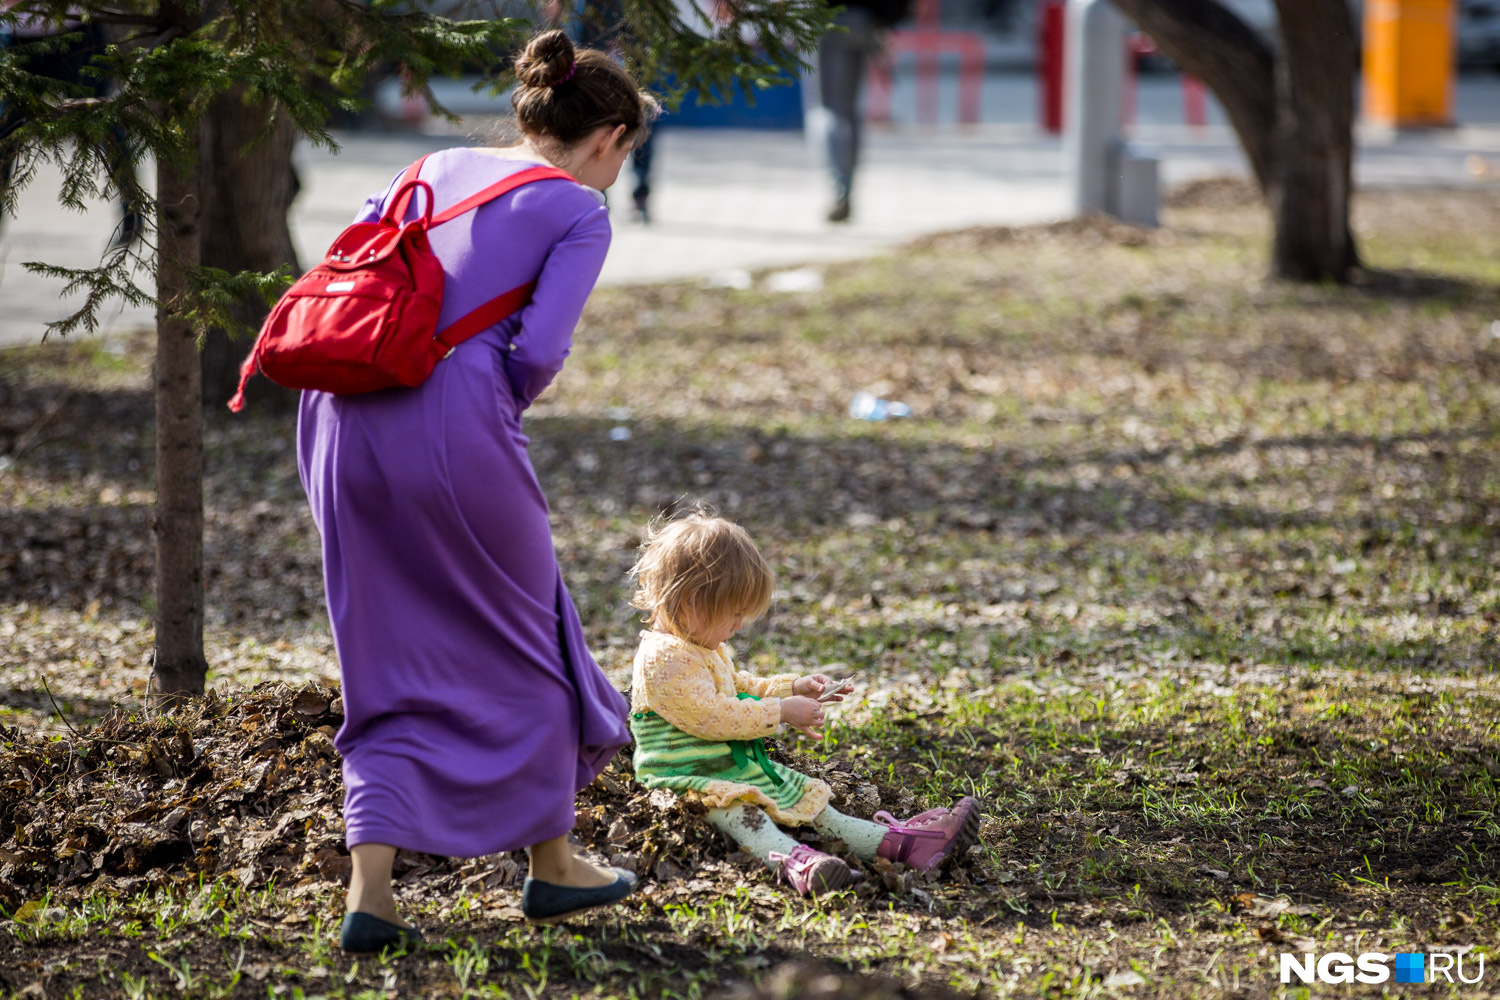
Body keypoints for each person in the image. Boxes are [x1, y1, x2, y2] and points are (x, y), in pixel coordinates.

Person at [297, 30, 658, 951]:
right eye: (626, 156)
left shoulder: (431, 161)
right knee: (528, 630)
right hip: (448, 421)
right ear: (609, 137)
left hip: (335, 412)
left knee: (380, 649)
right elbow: (536, 351)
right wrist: (486, 405)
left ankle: (370, 896)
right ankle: (553, 864)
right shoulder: (577, 207)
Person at [626, 511, 981, 896]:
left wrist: (792, 688)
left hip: (723, 767)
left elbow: (739, 685)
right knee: (742, 816)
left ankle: (902, 844)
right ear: (694, 602)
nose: (740, 625)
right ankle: (796, 862)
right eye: (735, 613)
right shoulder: (663, 658)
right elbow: (710, 715)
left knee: (813, 804)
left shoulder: (699, 646)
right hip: (684, 776)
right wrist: (781, 713)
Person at [811, 0, 912, 223]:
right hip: (866, 22)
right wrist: (888, 20)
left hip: (830, 20)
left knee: (832, 110)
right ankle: (847, 188)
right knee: (849, 111)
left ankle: (840, 189)